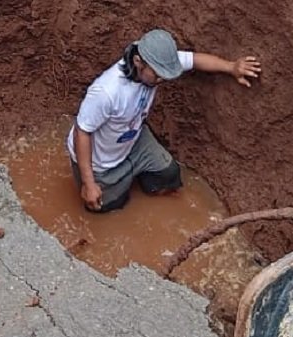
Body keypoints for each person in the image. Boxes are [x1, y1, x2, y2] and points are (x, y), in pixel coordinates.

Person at [67, 28, 261, 212]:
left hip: (132, 139)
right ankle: (113, 185)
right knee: (110, 207)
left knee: (168, 175)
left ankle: (138, 178)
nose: (162, 79)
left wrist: (231, 67)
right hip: (100, 162)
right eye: (158, 74)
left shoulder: (158, 59)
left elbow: (195, 60)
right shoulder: (107, 92)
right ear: (138, 62)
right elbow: (82, 131)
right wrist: (89, 183)